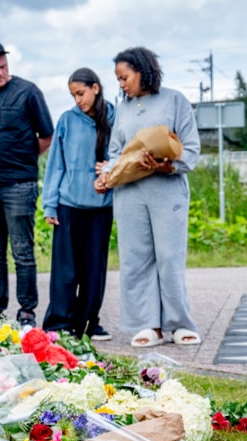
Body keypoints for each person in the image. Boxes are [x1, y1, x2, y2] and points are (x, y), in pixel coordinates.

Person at [94, 47, 201, 348]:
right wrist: (106, 175)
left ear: (143, 71)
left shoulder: (175, 100)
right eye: (118, 79)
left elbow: (191, 149)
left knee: (169, 257)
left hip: (167, 190)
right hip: (129, 194)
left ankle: (179, 324)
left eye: (125, 77)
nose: (122, 84)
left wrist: (168, 166)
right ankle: (148, 326)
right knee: (135, 259)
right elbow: (115, 153)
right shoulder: (124, 108)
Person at [0, 40, 54, 328]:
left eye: (3, 66)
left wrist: (25, 161)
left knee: (22, 252)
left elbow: (47, 135)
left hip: (19, 185)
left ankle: (27, 311)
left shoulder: (28, 92)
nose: (0, 72)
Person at [41, 68, 116, 341]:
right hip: (68, 204)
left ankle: (88, 324)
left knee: (94, 269)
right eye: (74, 95)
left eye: (81, 93)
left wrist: (112, 167)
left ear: (95, 88)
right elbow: (55, 164)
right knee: (65, 270)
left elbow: (124, 156)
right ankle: (59, 324)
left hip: (101, 207)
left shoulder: (115, 117)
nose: (78, 100)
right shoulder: (67, 120)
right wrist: (50, 204)